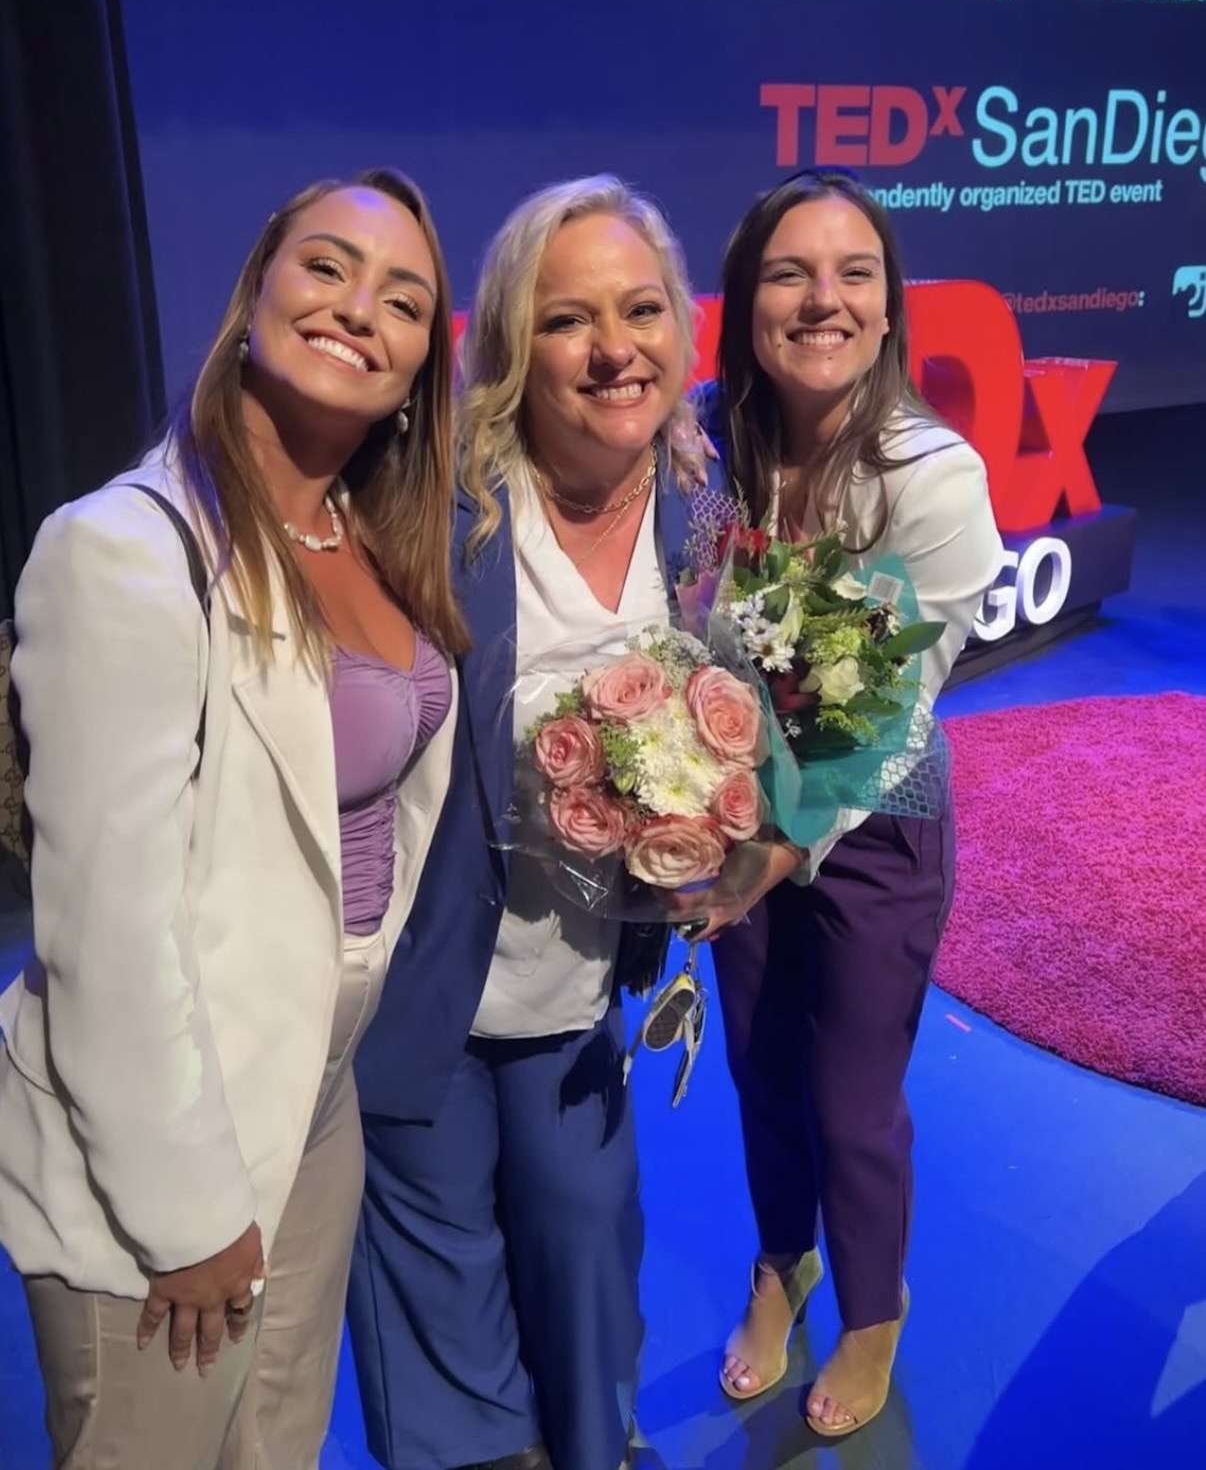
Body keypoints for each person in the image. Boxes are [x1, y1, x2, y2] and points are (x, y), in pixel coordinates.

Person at [0, 169, 466, 1469]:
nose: (359, 309)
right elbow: (106, 926)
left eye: (403, 301)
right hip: (166, 1136)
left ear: (420, 367)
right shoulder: (124, 551)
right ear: (257, 289)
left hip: (316, 1099)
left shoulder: (375, 539)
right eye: (327, 267)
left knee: (277, 1447)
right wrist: (184, 1209)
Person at [348, 175, 716, 1470]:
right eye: (568, 320)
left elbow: (746, 712)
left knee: (587, 1248)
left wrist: (724, 843)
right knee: (442, 1304)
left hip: (575, 990)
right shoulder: (435, 504)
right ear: (511, 344)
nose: (614, 349)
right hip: (419, 984)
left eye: (640, 309)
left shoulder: (700, 501)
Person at [694, 170, 1003, 1436]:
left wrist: (779, 841)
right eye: (790, 273)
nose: (823, 299)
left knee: (850, 1098)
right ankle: (784, 1263)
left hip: (874, 822)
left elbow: (883, 705)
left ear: (887, 307)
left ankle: (874, 1309)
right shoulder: (703, 440)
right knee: (758, 1066)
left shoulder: (933, 474)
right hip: (730, 813)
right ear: (746, 301)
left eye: (854, 274)